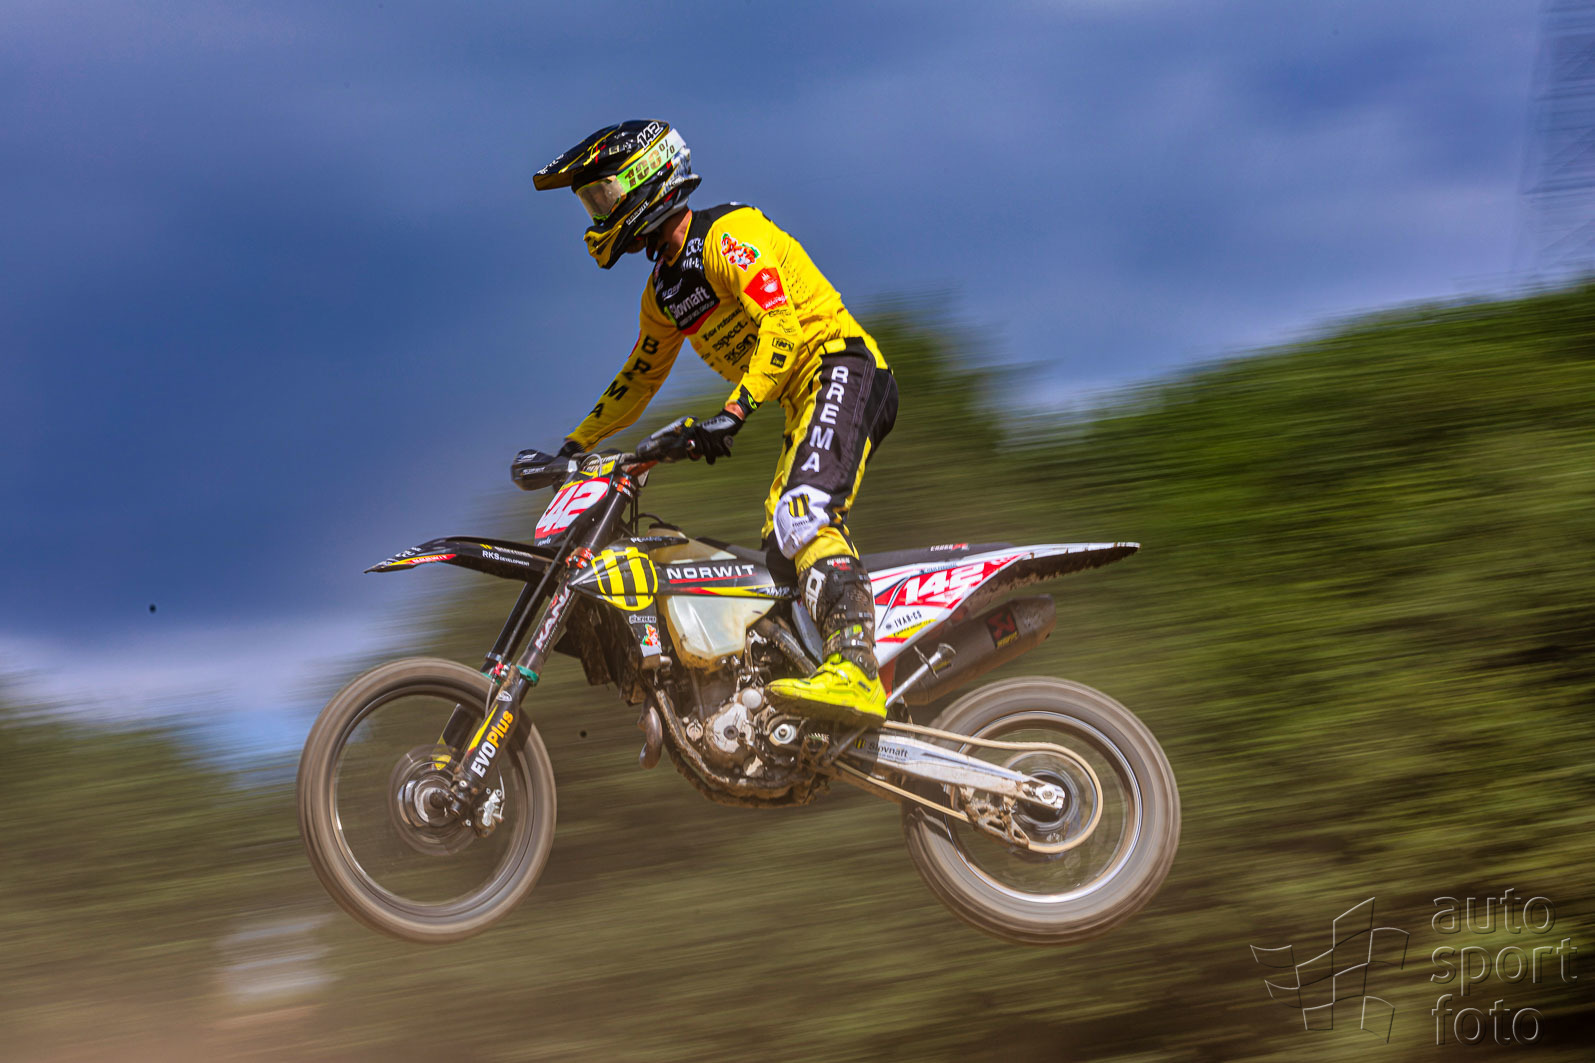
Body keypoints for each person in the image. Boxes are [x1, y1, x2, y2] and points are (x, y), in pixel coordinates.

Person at [532, 119, 898, 727]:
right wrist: (573, 446)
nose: (598, 212)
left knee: (803, 513)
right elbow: (638, 379)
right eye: (591, 202)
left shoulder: (729, 236)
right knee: (778, 552)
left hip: (843, 366)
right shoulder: (664, 292)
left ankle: (857, 670)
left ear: (647, 177)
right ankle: (801, 691)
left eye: (603, 194)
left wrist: (735, 410)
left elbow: (782, 325)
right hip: (801, 396)